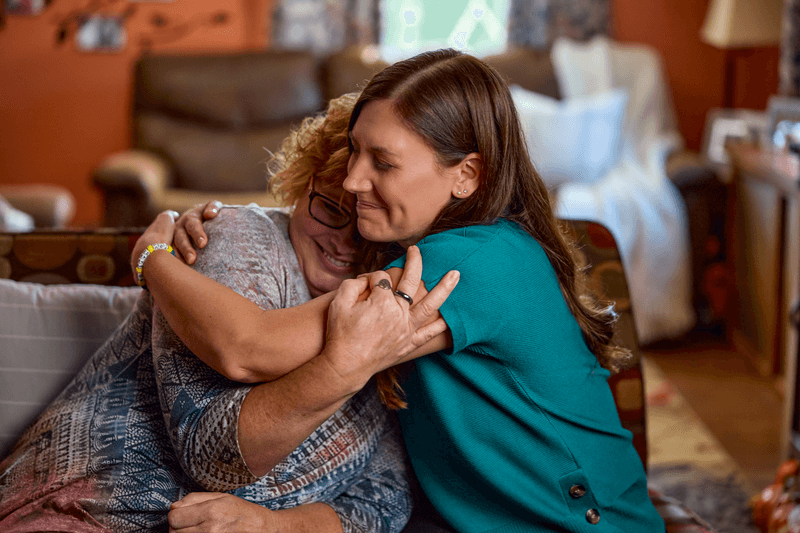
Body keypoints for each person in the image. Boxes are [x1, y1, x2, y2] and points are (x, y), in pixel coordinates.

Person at [134, 49, 665, 532]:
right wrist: (217, 225)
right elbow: (308, 220)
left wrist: (152, 257)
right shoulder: (428, 246)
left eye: (383, 163)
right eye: (354, 151)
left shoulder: (466, 262)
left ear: (466, 176)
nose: (353, 180)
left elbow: (247, 350)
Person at [0, 93, 435, 533]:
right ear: (303, 185)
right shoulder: (239, 238)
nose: (344, 242)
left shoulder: (397, 308)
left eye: (367, 233)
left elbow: (383, 503)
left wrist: (273, 526)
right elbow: (211, 449)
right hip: (79, 515)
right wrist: (152, 256)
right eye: (329, 207)